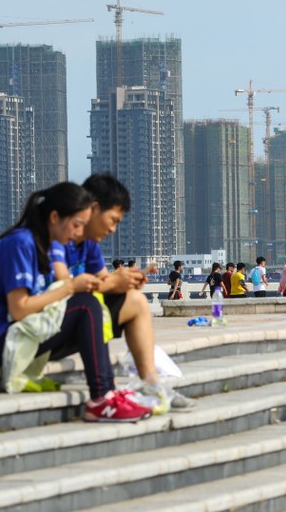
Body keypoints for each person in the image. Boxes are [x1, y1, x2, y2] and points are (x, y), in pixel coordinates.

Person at [0, 181, 151, 423]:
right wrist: (71, 286)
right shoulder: (21, 243)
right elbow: (19, 309)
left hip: (19, 333)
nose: (78, 233)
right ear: (54, 217)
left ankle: (116, 391)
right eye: (76, 225)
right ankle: (102, 397)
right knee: (85, 304)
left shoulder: (46, 243)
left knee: (93, 304)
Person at [51, 173, 194, 414]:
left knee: (136, 301)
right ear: (93, 208)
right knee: (88, 303)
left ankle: (151, 383)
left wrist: (126, 282)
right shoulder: (57, 237)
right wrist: (112, 282)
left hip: (73, 321)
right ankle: (103, 394)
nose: (113, 229)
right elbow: (63, 288)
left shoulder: (90, 246)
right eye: (113, 220)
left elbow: (104, 282)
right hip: (51, 323)